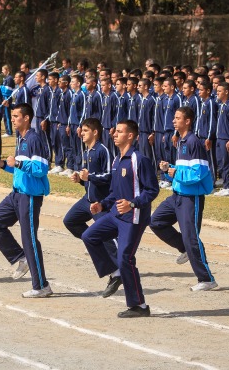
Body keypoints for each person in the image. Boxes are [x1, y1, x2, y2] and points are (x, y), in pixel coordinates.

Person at [81, 119, 159, 318]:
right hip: (116, 214)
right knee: (89, 236)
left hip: (133, 217)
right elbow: (115, 193)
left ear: (130, 136)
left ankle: (139, 306)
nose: (114, 135)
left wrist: (133, 203)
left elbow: (152, 190)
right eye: (115, 132)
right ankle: (114, 273)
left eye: (120, 132)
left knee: (126, 258)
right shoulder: (117, 160)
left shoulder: (139, 159)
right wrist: (103, 204)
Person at [0, 103, 52, 298]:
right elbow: (18, 168)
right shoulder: (20, 139)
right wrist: (3, 164)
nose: (12, 119)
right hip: (15, 194)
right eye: (12, 116)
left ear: (26, 118)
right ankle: (19, 257)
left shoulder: (34, 139)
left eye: (15, 116)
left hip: (30, 197)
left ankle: (41, 286)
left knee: (29, 240)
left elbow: (41, 169)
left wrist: (19, 162)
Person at [150, 106, 217, 290]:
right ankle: (185, 249)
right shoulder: (181, 141)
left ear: (187, 121)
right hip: (176, 196)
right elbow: (183, 171)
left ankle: (206, 279)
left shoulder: (194, 141)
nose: (174, 120)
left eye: (178, 118)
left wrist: (175, 172)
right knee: (156, 221)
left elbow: (200, 173)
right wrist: (169, 169)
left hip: (191, 199)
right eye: (174, 117)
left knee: (191, 237)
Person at [63, 118, 117, 276]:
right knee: (70, 221)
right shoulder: (86, 152)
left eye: (85, 131)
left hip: (100, 202)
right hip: (87, 200)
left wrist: (89, 177)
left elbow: (108, 176)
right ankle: (95, 243)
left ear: (95, 132)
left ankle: (122, 265)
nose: (82, 133)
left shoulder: (103, 150)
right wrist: (80, 180)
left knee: (109, 236)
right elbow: (88, 178)